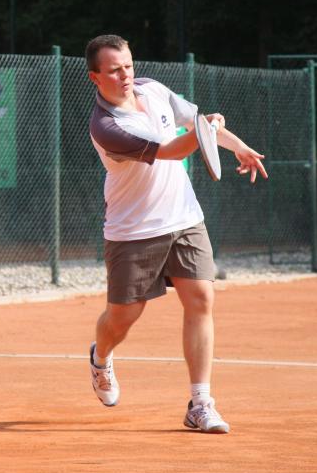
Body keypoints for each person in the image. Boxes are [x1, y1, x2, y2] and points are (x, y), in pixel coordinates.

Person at [85, 34, 268, 433]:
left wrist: (237, 145)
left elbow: (195, 121)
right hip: (133, 231)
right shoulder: (107, 126)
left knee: (201, 298)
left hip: (184, 219)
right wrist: (208, 129)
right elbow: (175, 149)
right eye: (114, 70)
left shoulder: (153, 89)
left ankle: (200, 404)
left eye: (128, 65)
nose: (125, 75)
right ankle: (100, 357)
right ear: (95, 77)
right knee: (124, 317)